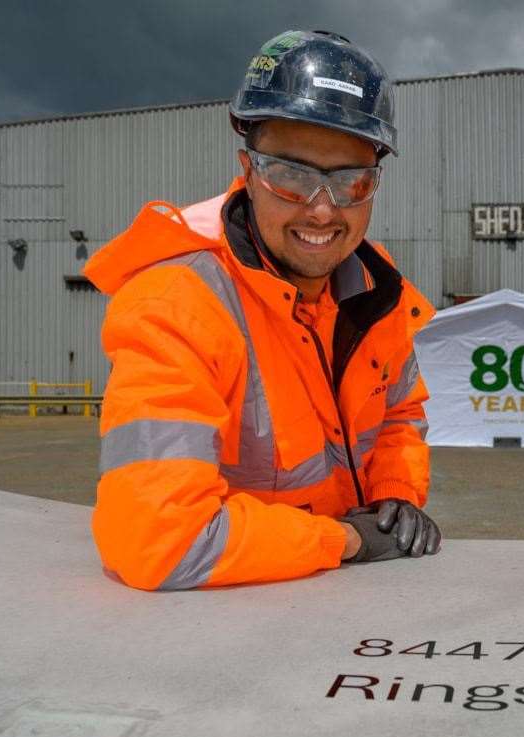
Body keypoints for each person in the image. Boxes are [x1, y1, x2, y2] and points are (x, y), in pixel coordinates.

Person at [84, 30, 441, 591]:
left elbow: (400, 416)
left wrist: (394, 497)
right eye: (292, 175)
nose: (323, 211)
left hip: (345, 606)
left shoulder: (376, 294)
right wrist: (346, 540)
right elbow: (159, 541)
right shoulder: (178, 307)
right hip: (229, 635)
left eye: (351, 181)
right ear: (248, 170)